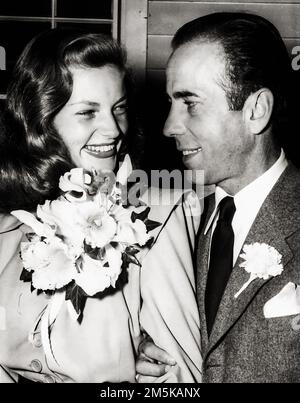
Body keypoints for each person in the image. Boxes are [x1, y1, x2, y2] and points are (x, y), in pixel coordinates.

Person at [0, 28, 202, 383]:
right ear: (41, 119)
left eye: (118, 108)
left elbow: (180, 380)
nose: (112, 129)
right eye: (88, 112)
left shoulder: (158, 212)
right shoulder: (8, 221)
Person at [137, 12, 300, 383]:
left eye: (190, 103)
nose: (169, 126)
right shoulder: (170, 220)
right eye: (170, 103)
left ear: (256, 111)